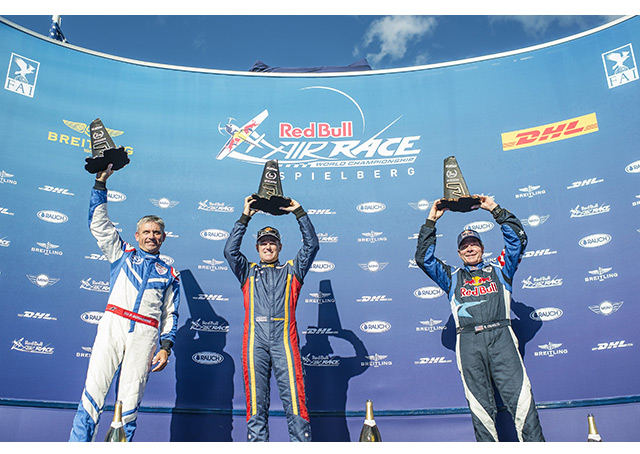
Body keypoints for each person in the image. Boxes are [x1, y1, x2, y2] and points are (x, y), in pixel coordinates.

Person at [414, 195, 545, 442]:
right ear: (459, 252)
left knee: (523, 404)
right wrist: (431, 220)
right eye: (465, 246)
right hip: (468, 341)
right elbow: (424, 259)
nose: (470, 248)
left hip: (502, 337)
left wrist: (494, 209)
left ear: (482, 248)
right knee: (481, 410)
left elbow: (518, 240)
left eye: (474, 243)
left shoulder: (500, 269)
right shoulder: (450, 277)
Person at [69, 163, 180, 441]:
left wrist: (166, 347)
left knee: (129, 403)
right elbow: (99, 225)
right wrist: (100, 184)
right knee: (93, 392)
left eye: (157, 233)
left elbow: (170, 315)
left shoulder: (170, 274)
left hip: (145, 333)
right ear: (137, 235)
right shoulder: (122, 255)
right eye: (147, 232)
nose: (151, 236)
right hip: (114, 324)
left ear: (163, 238)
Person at [224, 195, 319, 442]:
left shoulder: (292, 270)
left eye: (272, 243)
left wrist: (299, 212)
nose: (268, 247)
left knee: (296, 402)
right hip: (255, 343)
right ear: (257, 248)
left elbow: (312, 245)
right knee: (256, 403)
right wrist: (245, 217)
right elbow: (230, 251)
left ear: (279, 247)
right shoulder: (248, 272)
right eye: (263, 243)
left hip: (284, 342)